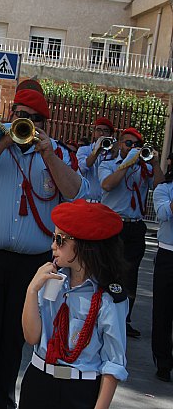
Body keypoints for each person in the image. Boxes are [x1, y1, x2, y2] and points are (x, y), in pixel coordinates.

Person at [0, 81, 89, 409]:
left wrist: (49, 157)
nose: (25, 121)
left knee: (14, 338)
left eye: (34, 118)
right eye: (20, 115)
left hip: (31, 262)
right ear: (11, 115)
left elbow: (77, 194)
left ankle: (2, 402)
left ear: (44, 125)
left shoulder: (57, 154)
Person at [19, 199, 129, 409]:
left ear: (84, 246)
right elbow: (32, 336)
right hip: (39, 380)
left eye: (60, 240)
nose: (53, 246)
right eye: (53, 238)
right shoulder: (51, 280)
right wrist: (31, 290)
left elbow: (113, 363)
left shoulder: (107, 297)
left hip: (80, 389)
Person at [99, 127, 164, 338]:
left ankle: (124, 319)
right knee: (107, 270)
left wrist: (154, 163)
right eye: (128, 144)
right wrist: (127, 165)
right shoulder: (109, 164)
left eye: (136, 145)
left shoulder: (143, 169)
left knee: (130, 274)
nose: (132, 149)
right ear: (119, 145)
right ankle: (101, 314)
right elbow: (108, 185)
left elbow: (160, 187)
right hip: (113, 223)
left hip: (135, 226)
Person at [152, 173, 173, 382]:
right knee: (163, 311)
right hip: (168, 253)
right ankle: (163, 362)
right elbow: (164, 213)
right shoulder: (164, 189)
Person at [76, 117, 116, 203]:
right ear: (94, 132)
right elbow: (81, 168)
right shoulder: (84, 150)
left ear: (111, 135)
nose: (101, 133)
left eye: (106, 131)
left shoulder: (114, 152)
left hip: (108, 203)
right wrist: (96, 151)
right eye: (98, 130)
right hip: (88, 201)